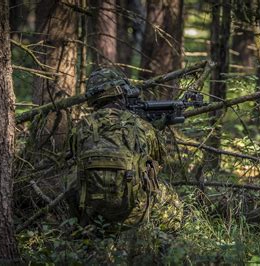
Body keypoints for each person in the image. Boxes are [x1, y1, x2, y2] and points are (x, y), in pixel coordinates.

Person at [65, 68, 182, 232]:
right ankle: (160, 247)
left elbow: (73, 158)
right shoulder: (141, 126)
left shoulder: (81, 127)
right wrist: (154, 129)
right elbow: (158, 161)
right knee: (173, 202)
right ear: (121, 92)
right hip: (132, 214)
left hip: (90, 212)